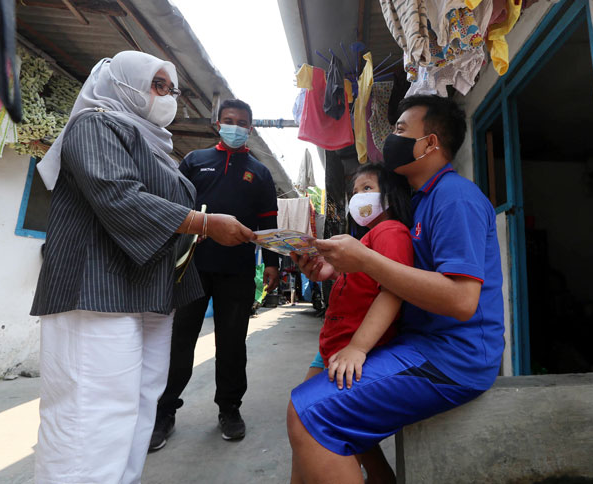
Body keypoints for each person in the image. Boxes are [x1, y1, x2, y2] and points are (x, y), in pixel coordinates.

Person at [31, 51, 254, 484]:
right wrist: (204, 223)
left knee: (134, 412)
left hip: (147, 295)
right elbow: (118, 196)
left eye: (172, 89)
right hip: (96, 292)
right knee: (90, 418)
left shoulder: (156, 147)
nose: (169, 97)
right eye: (158, 85)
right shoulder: (95, 124)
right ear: (125, 83)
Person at [288, 95, 505, 484]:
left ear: (430, 144)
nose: (392, 137)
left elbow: (461, 299)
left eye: (402, 130)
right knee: (313, 402)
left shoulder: (455, 198)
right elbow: (399, 279)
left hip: (454, 357)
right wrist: (336, 271)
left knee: (310, 413)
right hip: (420, 343)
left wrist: (366, 261)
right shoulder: (420, 203)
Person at [150, 98, 281, 449]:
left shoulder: (261, 172)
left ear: (250, 128)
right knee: (180, 341)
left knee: (233, 343)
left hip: (237, 270)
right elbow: (173, 206)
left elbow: (269, 222)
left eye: (241, 122)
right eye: (228, 120)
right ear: (218, 124)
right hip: (191, 266)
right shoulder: (195, 161)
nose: (234, 126)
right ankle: (164, 412)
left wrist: (272, 263)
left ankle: (229, 408)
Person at [290, 163, 414, 483]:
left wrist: (358, 348)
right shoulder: (362, 241)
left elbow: (392, 292)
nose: (358, 198)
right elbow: (358, 281)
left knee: (307, 419)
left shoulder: (390, 231)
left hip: (353, 349)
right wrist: (324, 272)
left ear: (390, 195)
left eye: (367, 189)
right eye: (355, 192)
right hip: (332, 346)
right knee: (313, 426)